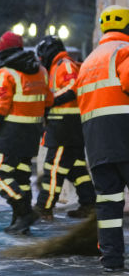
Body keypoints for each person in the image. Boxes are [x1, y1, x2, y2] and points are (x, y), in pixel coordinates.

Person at [0, 31, 53, 234]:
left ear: (2, 51)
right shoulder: (41, 70)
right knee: (21, 176)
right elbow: (49, 101)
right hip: (32, 132)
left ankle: (25, 212)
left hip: (10, 133)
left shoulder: (6, 72)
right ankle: (20, 222)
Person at [73, 4, 129, 272]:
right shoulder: (124, 51)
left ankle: (111, 259)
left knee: (108, 203)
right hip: (125, 137)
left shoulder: (89, 62)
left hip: (97, 146)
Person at [33, 35, 96, 220]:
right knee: (76, 167)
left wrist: (50, 101)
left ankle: (44, 207)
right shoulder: (55, 67)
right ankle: (89, 203)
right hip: (67, 125)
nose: (41, 59)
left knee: (53, 167)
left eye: (41, 55)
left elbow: (72, 86)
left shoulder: (64, 64)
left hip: (65, 125)